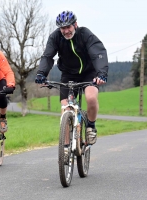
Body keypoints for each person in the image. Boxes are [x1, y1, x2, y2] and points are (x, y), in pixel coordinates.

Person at [35, 10, 108, 146]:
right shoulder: (55, 37)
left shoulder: (85, 34)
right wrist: (41, 74)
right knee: (66, 109)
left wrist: (101, 73)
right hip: (68, 75)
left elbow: (98, 53)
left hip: (89, 72)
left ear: (75, 24)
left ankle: (91, 127)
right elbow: (47, 56)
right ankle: (66, 148)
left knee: (91, 98)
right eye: (63, 28)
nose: (66, 31)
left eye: (68, 27)